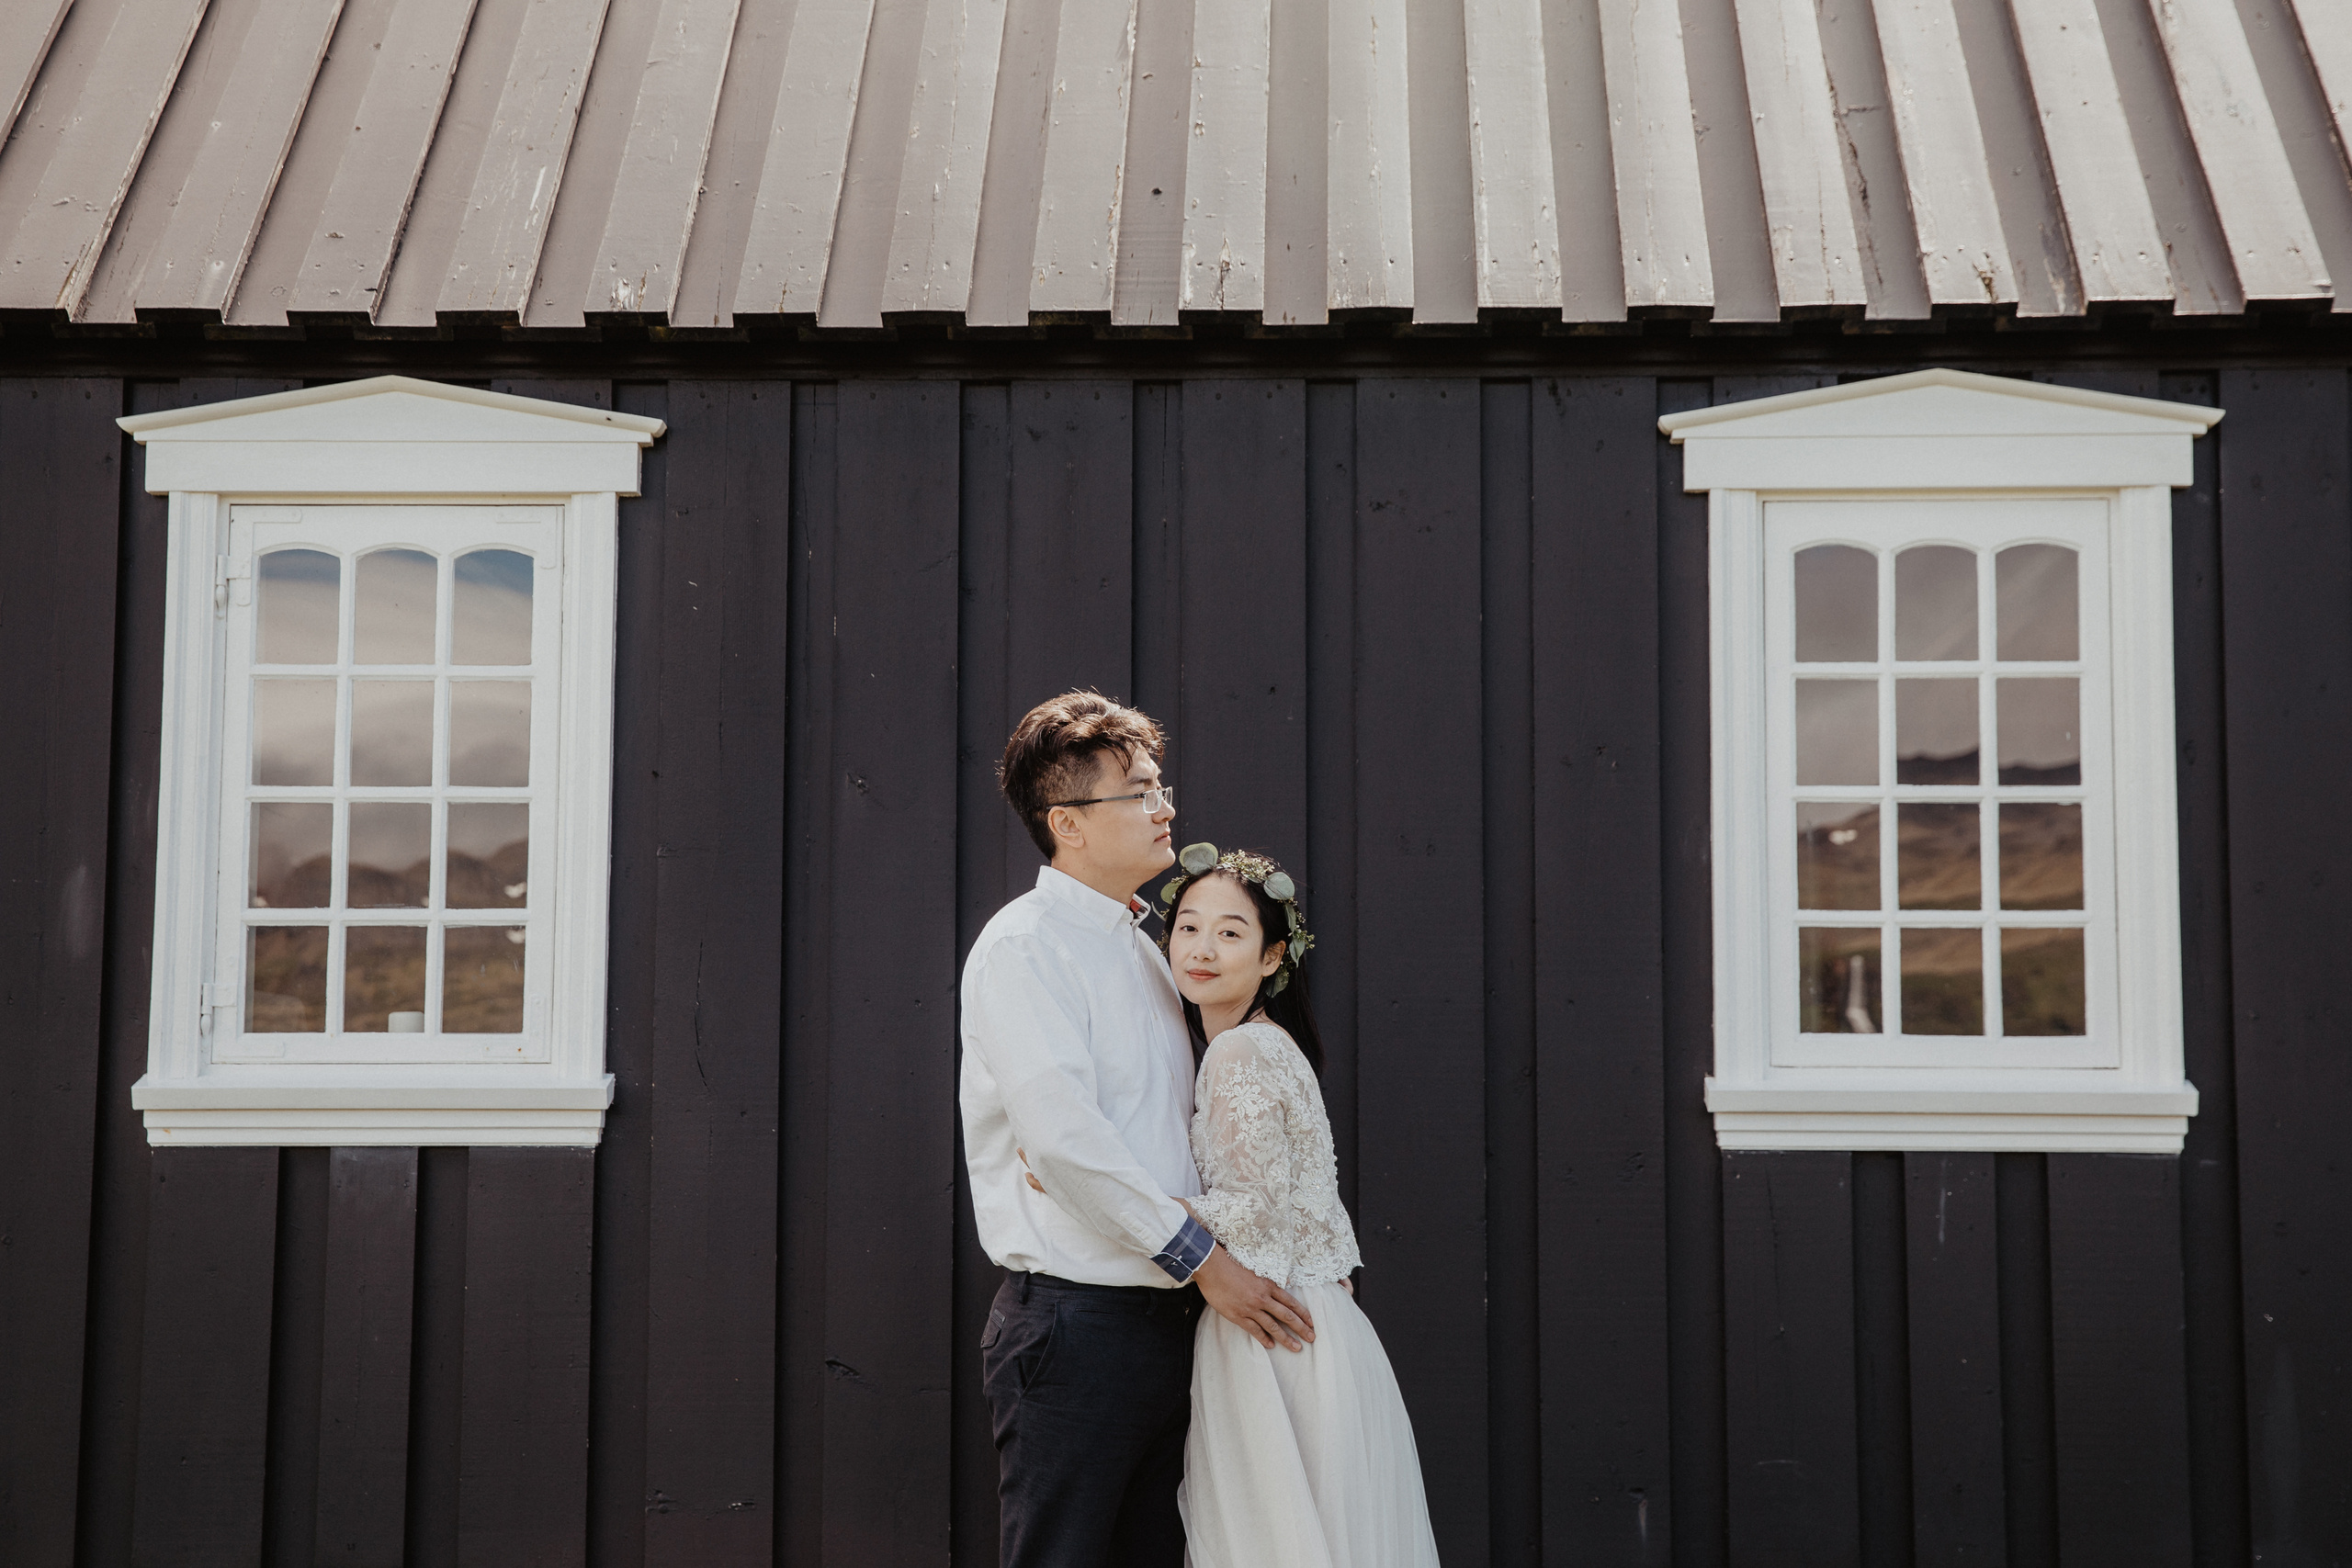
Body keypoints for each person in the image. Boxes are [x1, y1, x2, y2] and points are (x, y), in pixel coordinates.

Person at [959, 692, 1318, 1568]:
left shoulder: (1150, 948)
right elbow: (1067, 1146)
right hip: (1078, 1324)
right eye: (1141, 791)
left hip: (1176, 1321)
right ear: (1068, 823)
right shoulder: (1025, 948)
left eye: (1161, 786)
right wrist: (1210, 1262)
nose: (1165, 807)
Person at [1161, 843, 1442, 1568]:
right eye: (1188, 927)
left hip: (1267, 1329)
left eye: (1230, 932)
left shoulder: (1237, 1052)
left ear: (1270, 957)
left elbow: (1252, 1211)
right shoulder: (1274, 1045)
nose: (1201, 948)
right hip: (1319, 1323)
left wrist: (1118, 1201)